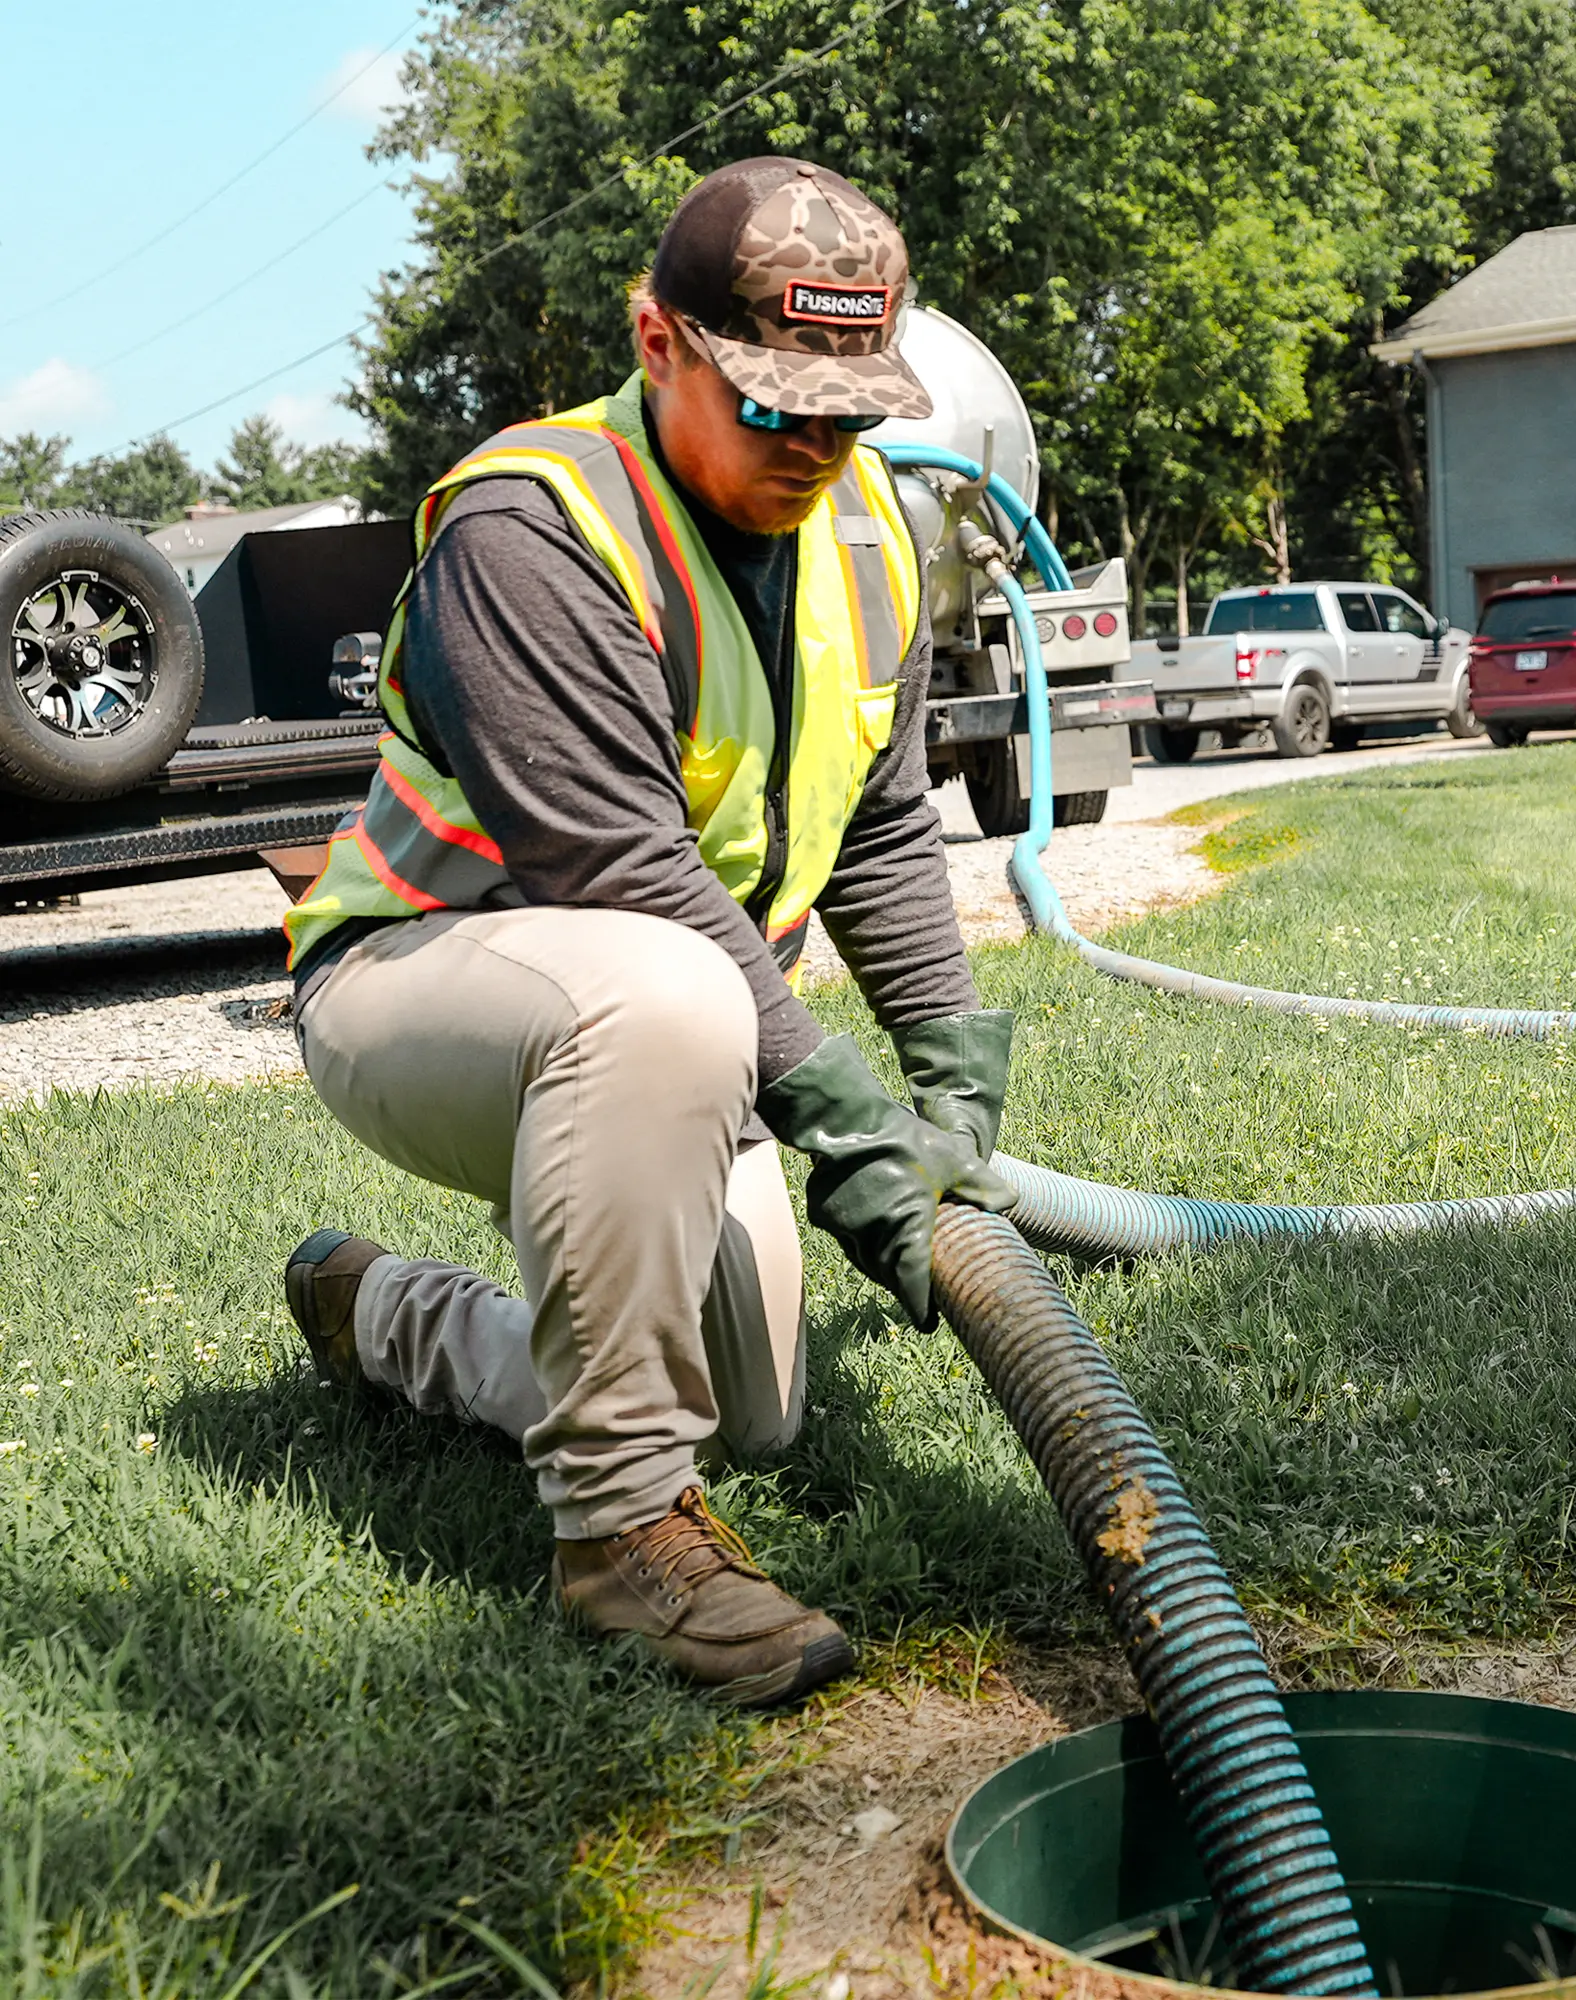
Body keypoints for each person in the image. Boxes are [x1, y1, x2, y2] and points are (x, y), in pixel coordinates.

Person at [278, 157, 1016, 1709]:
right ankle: (620, 1538)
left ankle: (392, 1316)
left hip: (682, 1019)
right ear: (659, 339)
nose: (814, 445)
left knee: (747, 1409)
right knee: (672, 1000)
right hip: (424, 986)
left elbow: (876, 823)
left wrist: (950, 1083)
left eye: (848, 409)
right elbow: (615, 864)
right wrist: (840, 1109)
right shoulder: (532, 528)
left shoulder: (872, 533)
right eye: (771, 405)